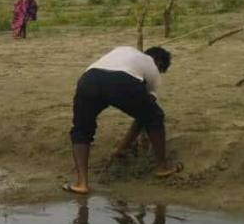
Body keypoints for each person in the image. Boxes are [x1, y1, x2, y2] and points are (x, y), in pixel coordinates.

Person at [66, 46, 181, 195]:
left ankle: (82, 183)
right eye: (161, 70)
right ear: (158, 62)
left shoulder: (124, 50)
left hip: (87, 80)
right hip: (121, 81)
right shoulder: (151, 65)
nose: (159, 73)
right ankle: (162, 167)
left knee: (81, 129)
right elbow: (146, 113)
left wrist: (121, 148)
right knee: (155, 116)